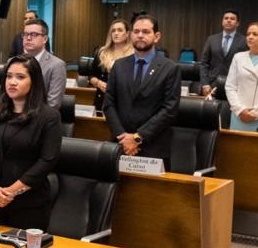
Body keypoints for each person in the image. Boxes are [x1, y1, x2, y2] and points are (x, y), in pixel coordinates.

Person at [0, 55, 62, 229]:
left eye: (20, 77)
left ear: (34, 81)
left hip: (28, 205)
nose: (12, 82)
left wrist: (10, 192)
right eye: (9, 76)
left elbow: (47, 161)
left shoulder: (49, 117)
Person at [103, 15, 181, 165]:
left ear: (156, 36)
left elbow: (169, 110)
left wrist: (138, 137)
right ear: (131, 35)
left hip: (154, 148)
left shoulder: (170, 68)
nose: (140, 35)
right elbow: (108, 104)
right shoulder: (119, 66)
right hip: (120, 145)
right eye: (136, 31)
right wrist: (123, 137)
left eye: (146, 32)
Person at [85, 19, 133, 109]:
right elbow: (91, 76)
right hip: (102, 99)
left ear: (127, 34)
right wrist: (99, 83)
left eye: (120, 30)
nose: (116, 33)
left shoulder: (134, 54)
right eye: (113, 31)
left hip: (125, 103)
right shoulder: (101, 52)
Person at [199, 10, 247, 96]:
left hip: (235, 86)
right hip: (212, 84)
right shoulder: (212, 39)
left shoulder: (244, 41)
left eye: (232, 19)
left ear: (237, 23)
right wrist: (205, 84)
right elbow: (204, 63)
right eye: (226, 18)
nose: (228, 20)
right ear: (222, 22)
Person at [20, 18, 65, 108]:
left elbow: (53, 104)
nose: (28, 38)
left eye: (33, 34)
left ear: (45, 39)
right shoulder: (13, 62)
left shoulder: (57, 65)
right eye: (25, 34)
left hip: (40, 119)